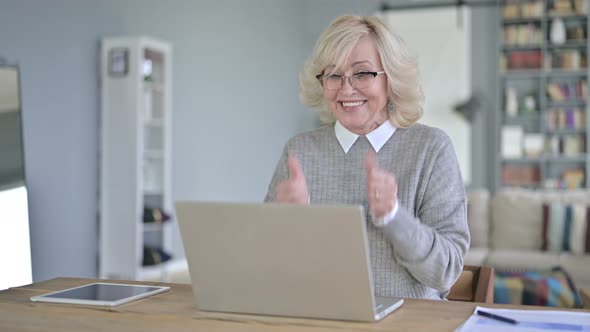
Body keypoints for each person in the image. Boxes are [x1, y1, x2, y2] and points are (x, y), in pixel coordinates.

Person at [264, 15, 469, 300]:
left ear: (391, 78)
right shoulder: (299, 151)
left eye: (362, 73)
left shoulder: (431, 149)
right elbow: (268, 267)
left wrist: (394, 218)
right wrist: (290, 223)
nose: (346, 89)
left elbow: (445, 272)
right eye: (334, 75)